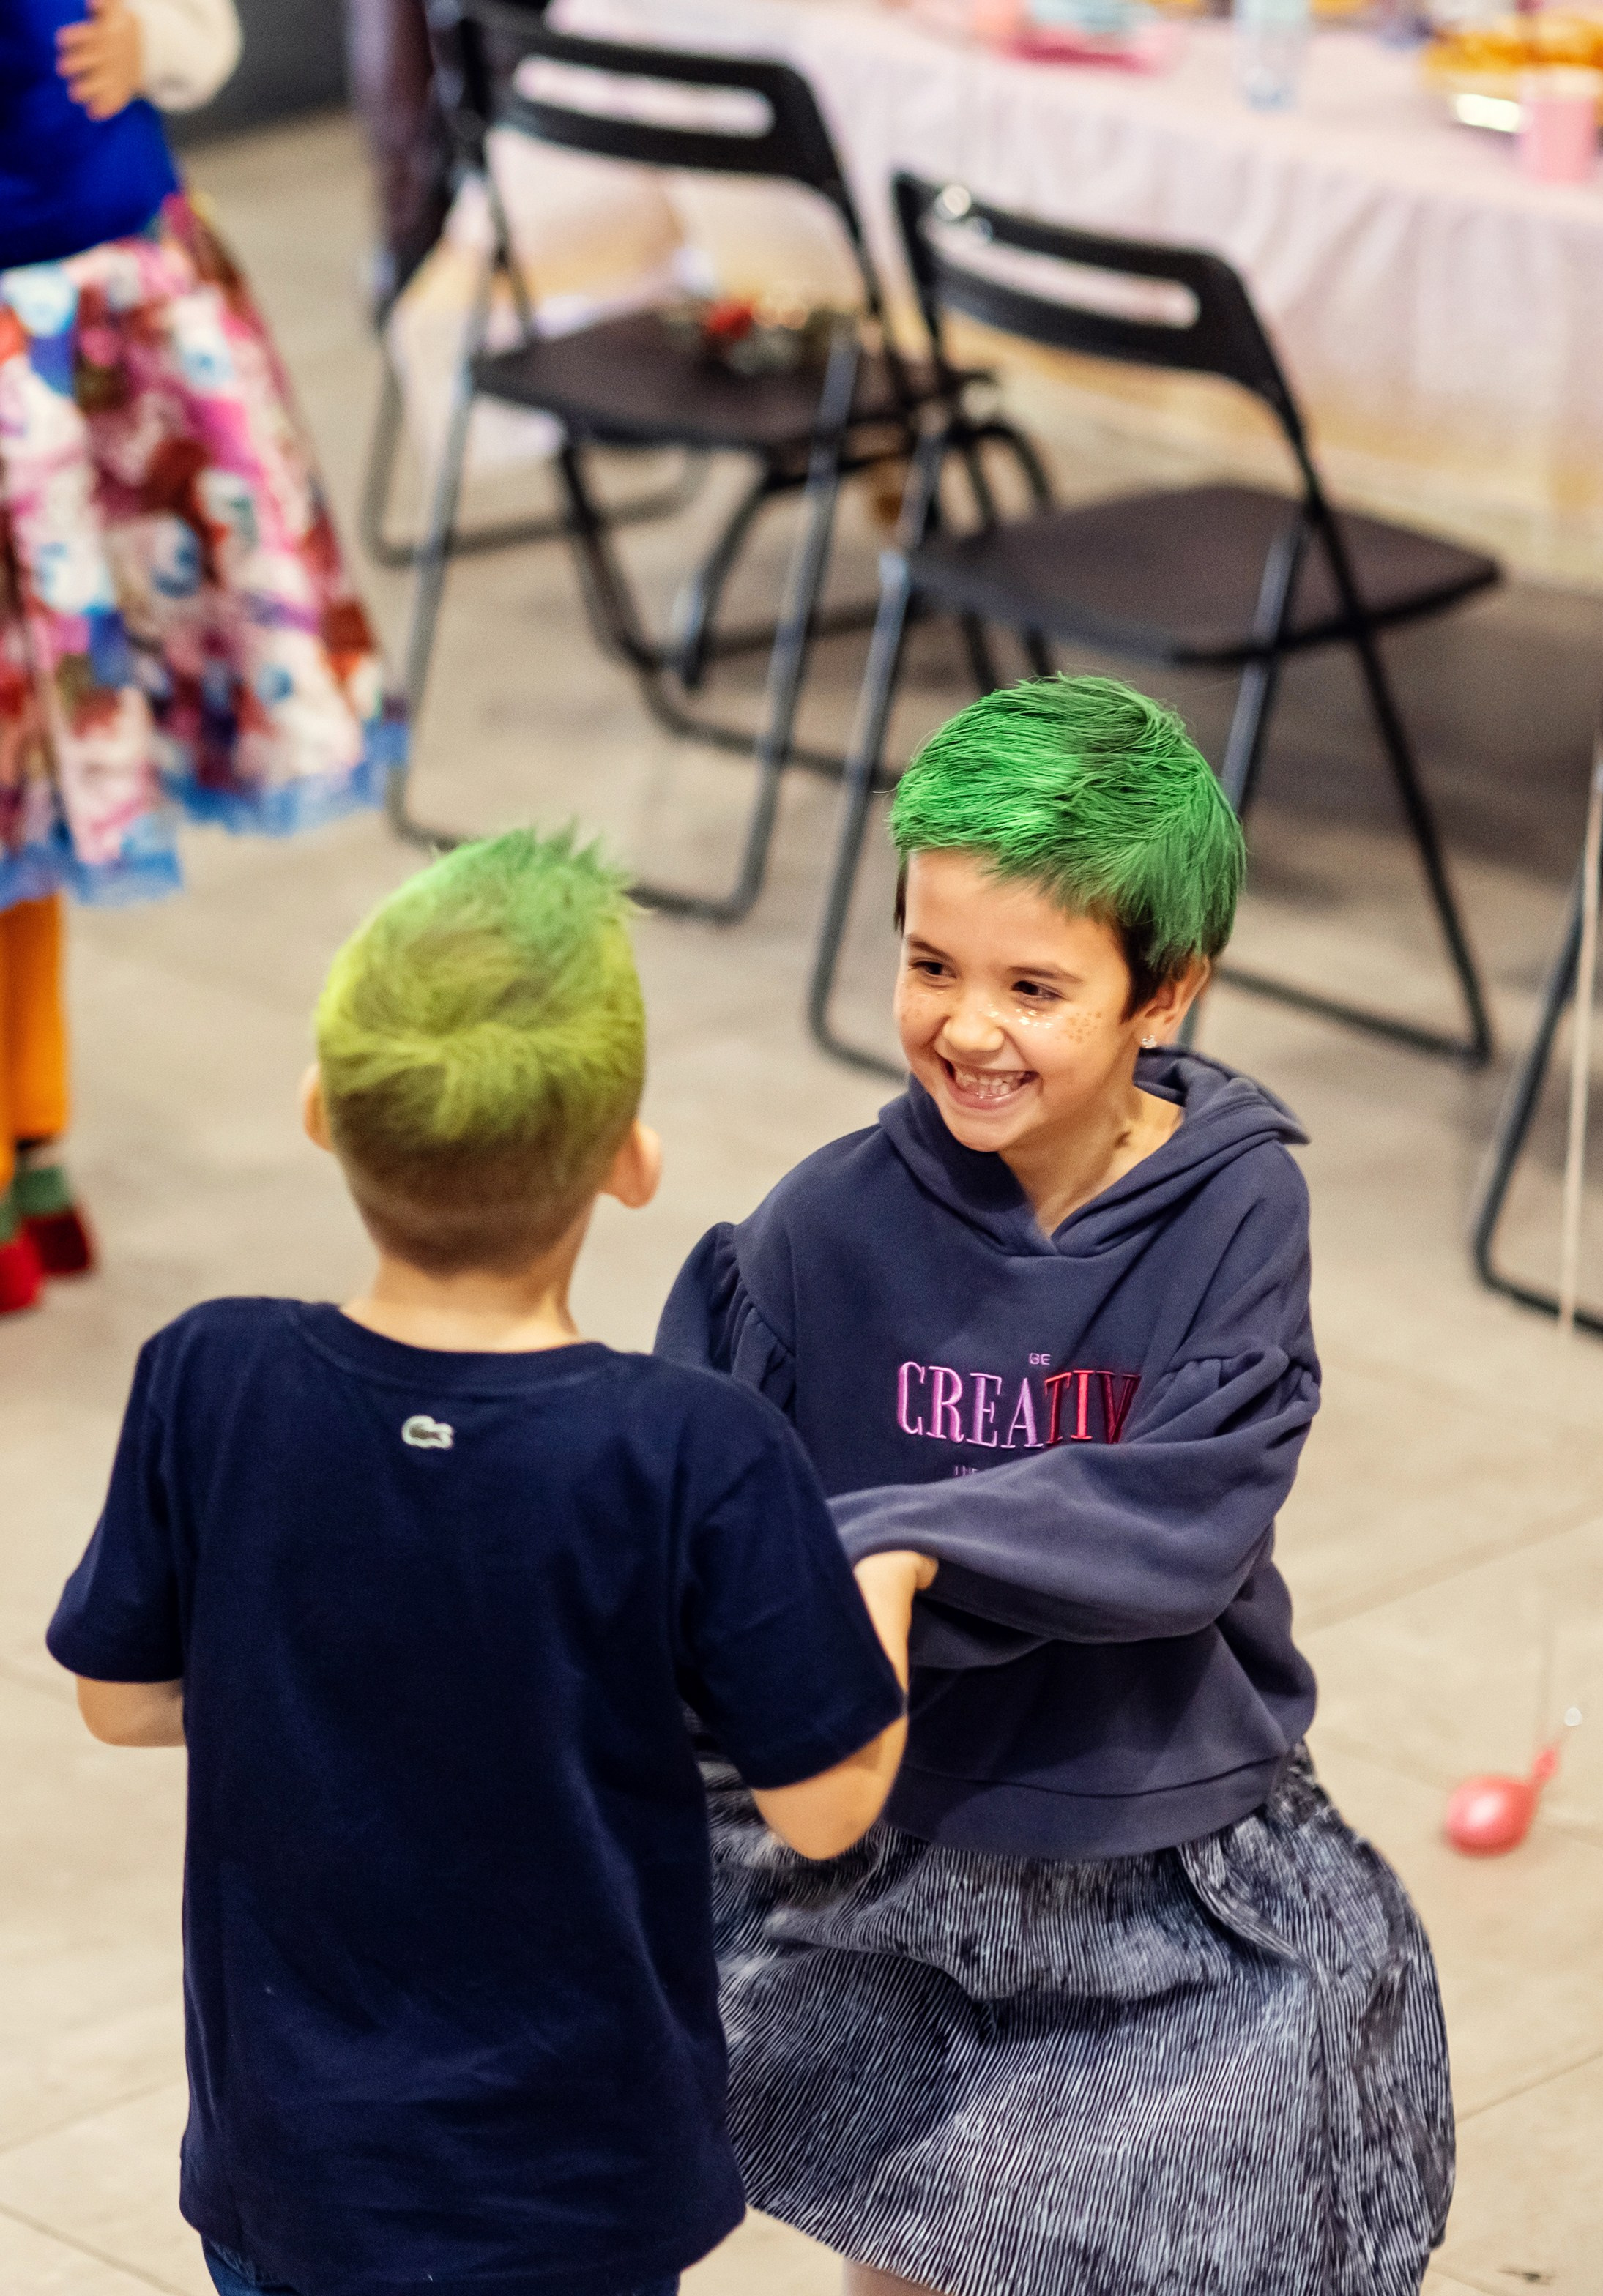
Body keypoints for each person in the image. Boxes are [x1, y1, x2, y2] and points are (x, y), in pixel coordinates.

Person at [46, 827, 933, 2296]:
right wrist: (885, 1581)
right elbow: (826, 1801)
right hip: (574, 2192)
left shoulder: (212, 1375)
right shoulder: (691, 1448)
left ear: (323, 1111)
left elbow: (122, 1701)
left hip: (290, 2170)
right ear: (630, 1160)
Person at [657, 676, 1454, 2296]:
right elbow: (710, 1523)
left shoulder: (1236, 1217)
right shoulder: (817, 1226)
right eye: (931, 962)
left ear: (1167, 992)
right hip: (893, 1844)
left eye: (1035, 983)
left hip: (1161, 1848)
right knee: (916, 2239)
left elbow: (1178, 1519)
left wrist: (888, 1551)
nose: (967, 1022)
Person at [1, 0, 395, 1313]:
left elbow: (201, 31)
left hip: (96, 324)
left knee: (44, 787)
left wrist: (153, 42)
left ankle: (31, 1131)